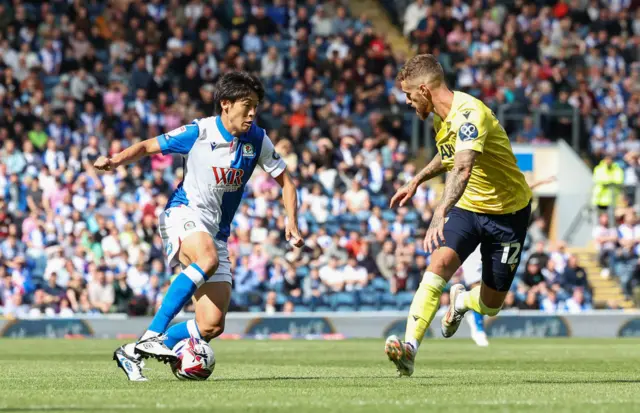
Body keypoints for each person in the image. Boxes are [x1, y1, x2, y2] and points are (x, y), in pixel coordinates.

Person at [97, 72, 304, 381]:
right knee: (206, 259)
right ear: (225, 104)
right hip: (183, 213)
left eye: (256, 107)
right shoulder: (199, 131)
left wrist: (292, 222)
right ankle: (153, 333)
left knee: (210, 325)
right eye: (246, 106)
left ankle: (133, 352)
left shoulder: (257, 139)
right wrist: (116, 160)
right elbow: (147, 146)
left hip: (217, 233)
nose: (252, 114)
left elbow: (286, 182)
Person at [384, 54, 532, 377]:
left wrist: (439, 213)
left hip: (508, 214)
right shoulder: (441, 117)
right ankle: (409, 350)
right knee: (437, 265)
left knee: (492, 304)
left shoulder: (470, 114)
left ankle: (462, 302)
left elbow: (463, 166)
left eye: (409, 96)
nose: (408, 103)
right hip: (470, 208)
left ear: (423, 89)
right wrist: (417, 178)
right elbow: (449, 154)